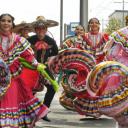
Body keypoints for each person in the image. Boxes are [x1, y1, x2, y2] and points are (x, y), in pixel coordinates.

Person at [0, 13, 49, 127]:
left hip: (12, 78)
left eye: (8, 21)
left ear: (12, 24)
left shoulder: (18, 40)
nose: (6, 23)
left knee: (8, 101)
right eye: (3, 20)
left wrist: (37, 65)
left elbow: (28, 56)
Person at [27, 16, 59, 122]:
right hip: (30, 68)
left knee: (53, 87)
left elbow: (56, 54)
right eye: (38, 28)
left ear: (46, 29)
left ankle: (44, 111)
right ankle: (27, 113)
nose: (41, 30)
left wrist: (49, 61)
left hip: (44, 68)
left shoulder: (51, 41)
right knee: (27, 90)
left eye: (43, 28)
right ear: (35, 30)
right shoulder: (29, 40)